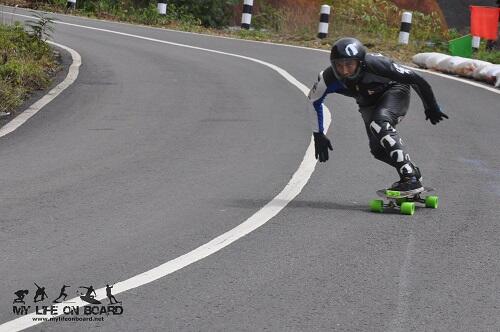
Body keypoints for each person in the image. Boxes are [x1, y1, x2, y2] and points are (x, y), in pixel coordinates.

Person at [308, 37, 448, 193]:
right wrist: (318, 134)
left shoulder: (377, 65)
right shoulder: (327, 78)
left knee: (379, 123)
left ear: (360, 62)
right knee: (379, 150)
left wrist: (431, 106)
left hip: (394, 89)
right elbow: (314, 101)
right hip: (367, 102)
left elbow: (416, 79)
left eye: (349, 64)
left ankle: (410, 178)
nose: (345, 71)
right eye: (339, 66)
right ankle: (412, 170)